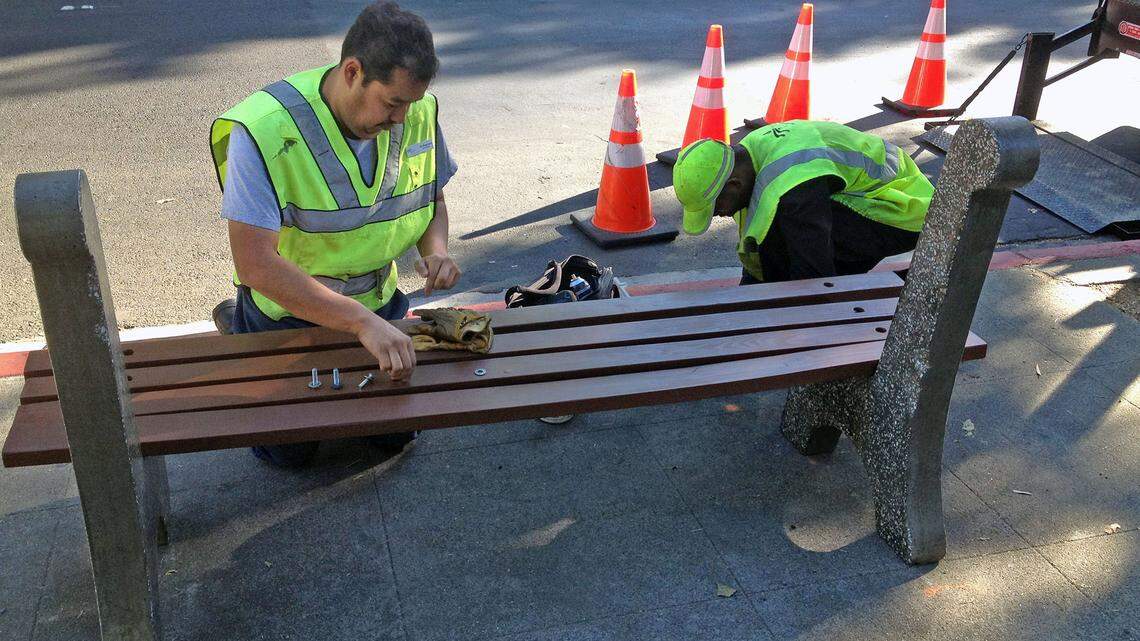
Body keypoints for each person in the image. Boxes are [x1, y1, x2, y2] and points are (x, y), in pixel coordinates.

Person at [209, 1, 460, 467]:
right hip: (289, 314)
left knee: (394, 437)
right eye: (391, 103)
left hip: (378, 305)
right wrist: (360, 323)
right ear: (352, 72)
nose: (402, 118)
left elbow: (433, 201)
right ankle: (241, 329)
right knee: (292, 456)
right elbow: (256, 264)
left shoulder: (417, 110)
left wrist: (437, 250)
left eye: (410, 103)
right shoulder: (263, 130)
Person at [672, 120, 934, 285]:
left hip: (903, 206)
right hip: (871, 197)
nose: (719, 215)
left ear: (733, 186)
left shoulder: (795, 186)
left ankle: (845, 316)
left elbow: (813, 273)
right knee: (779, 236)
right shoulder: (749, 153)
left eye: (716, 207)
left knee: (802, 257)